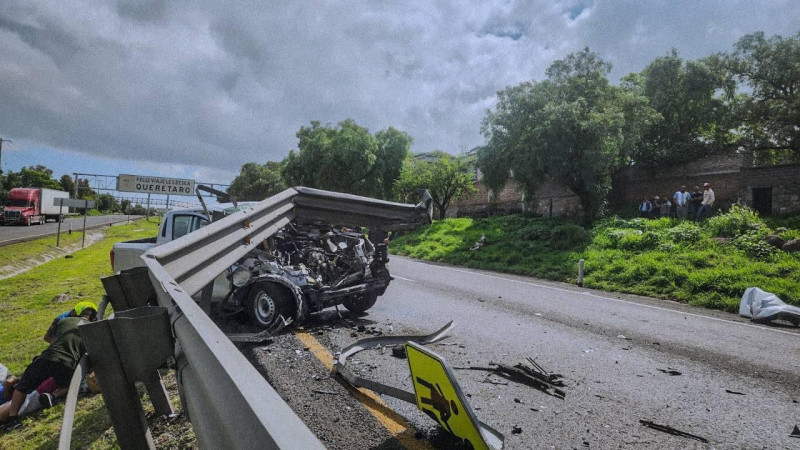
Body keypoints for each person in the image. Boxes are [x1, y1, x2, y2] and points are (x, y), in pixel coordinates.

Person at [0, 302, 97, 425]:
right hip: (68, 364)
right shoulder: (90, 329)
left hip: (48, 357)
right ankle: (53, 395)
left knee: (22, 386)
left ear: (75, 312)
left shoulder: (63, 321)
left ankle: (13, 419)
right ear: (93, 317)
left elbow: (49, 338)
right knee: (73, 384)